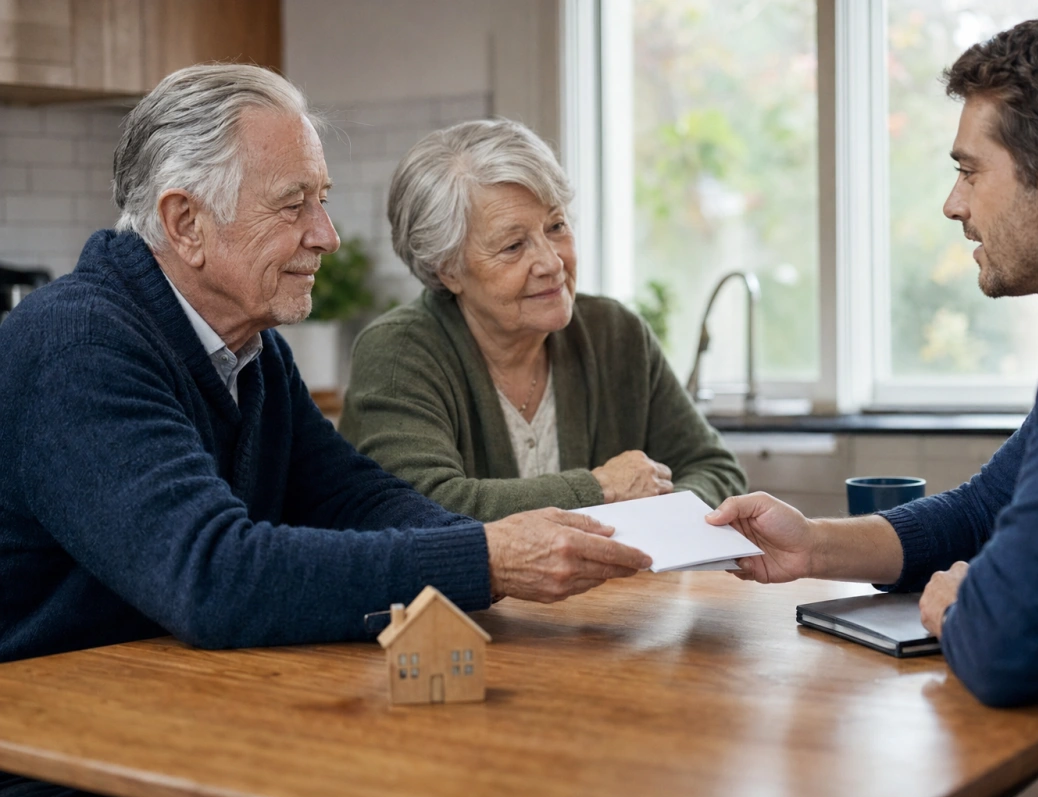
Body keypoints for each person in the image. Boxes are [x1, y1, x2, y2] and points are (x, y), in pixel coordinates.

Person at [0, 66, 654, 664]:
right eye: (294, 205)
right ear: (186, 223)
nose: (326, 235)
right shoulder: (77, 342)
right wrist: (486, 559)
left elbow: (355, 499)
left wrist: (518, 549)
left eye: (323, 199)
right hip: (44, 745)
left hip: (160, 694)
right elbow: (214, 578)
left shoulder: (254, 353)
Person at [707, 12, 1038, 797]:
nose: (951, 203)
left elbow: (1015, 650)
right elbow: (986, 508)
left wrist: (960, 610)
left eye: (971, 170)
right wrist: (813, 548)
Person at [338, 119, 746, 522]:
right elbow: (422, 507)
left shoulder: (616, 333)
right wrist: (600, 490)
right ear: (447, 270)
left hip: (616, 592)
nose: (552, 262)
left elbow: (717, 472)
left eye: (556, 226)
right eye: (514, 246)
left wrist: (648, 515)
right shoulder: (398, 352)